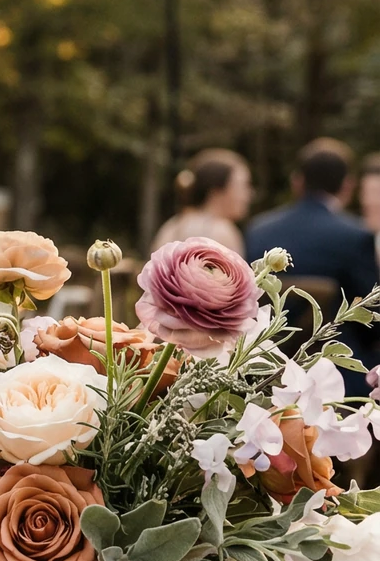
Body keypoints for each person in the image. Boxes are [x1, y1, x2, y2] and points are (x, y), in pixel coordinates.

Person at [246, 138, 379, 389]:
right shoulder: (354, 236)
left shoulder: (259, 230)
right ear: (347, 185)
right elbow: (371, 315)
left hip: (264, 370)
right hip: (337, 375)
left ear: (298, 181)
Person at [153, 149, 251, 255]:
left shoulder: (171, 227)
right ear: (216, 191)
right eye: (243, 186)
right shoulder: (223, 232)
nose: (248, 195)